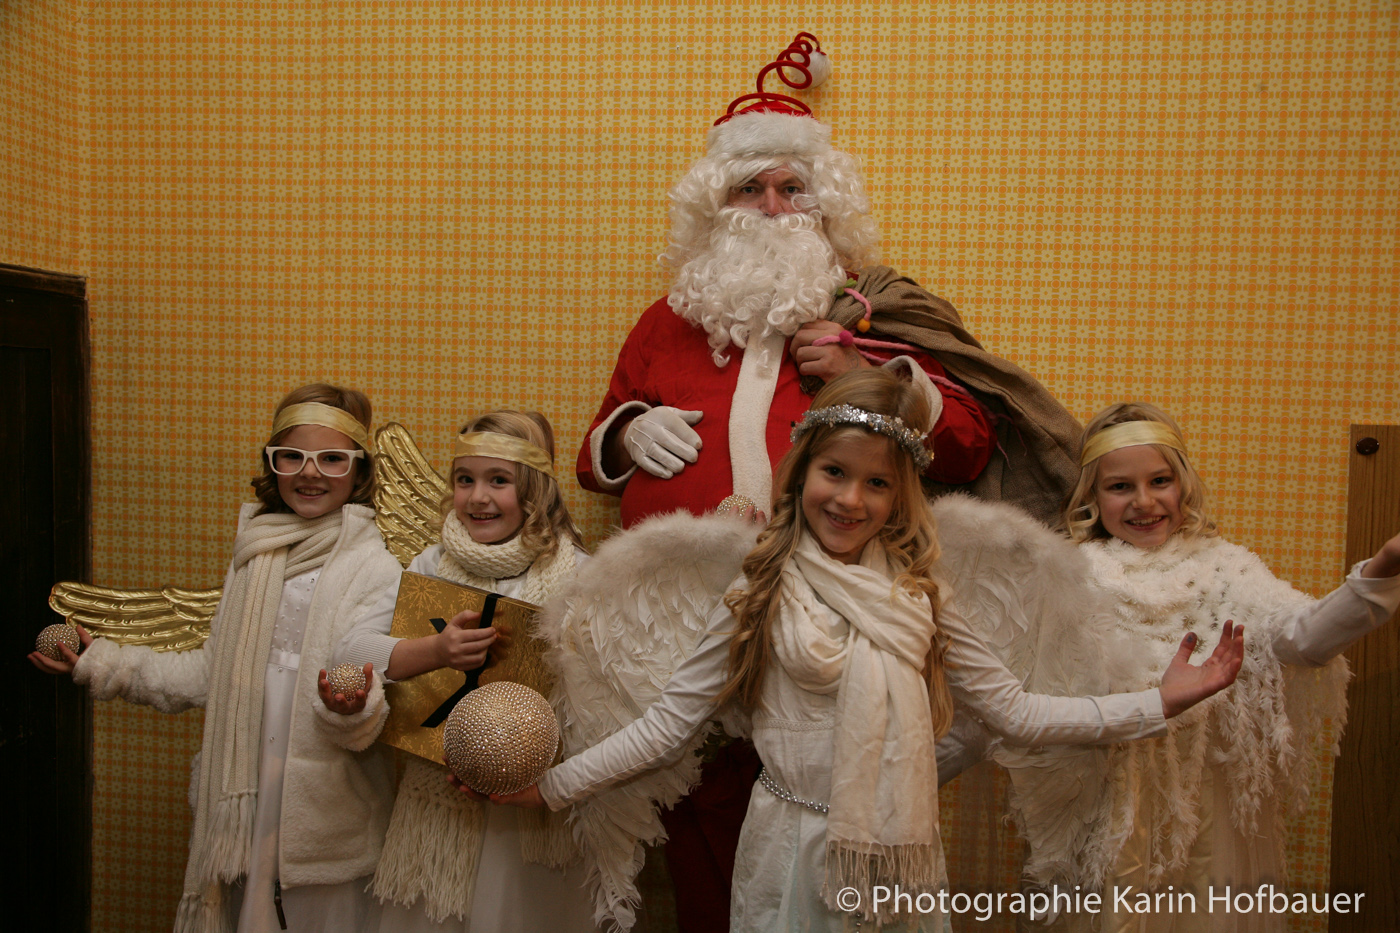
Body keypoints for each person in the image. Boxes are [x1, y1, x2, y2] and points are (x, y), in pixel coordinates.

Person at [576, 35, 1086, 926]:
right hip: (689, 623)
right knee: (699, 823)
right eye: (750, 188)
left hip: (829, 623)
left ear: (824, 205)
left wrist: (866, 371)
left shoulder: (869, 311)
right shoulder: (666, 322)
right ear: (715, 206)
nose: (773, 207)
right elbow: (590, 457)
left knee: (821, 820)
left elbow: (968, 443)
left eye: (793, 187)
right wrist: (626, 431)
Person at [492, 369, 1244, 932]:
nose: (851, 499)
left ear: (898, 495)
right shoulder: (759, 590)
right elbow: (665, 727)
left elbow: (1017, 711)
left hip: (896, 857)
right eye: (835, 472)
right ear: (802, 474)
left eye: (876, 482)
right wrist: (551, 788)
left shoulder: (922, 595)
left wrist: (1158, 701)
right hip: (788, 851)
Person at [29, 384, 403, 933]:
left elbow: (376, 692)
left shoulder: (375, 568)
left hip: (324, 802)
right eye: (291, 456)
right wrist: (101, 661)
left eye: (332, 459)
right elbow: (211, 672)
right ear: (272, 464)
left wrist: (352, 707)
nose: (310, 472)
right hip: (243, 791)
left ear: (359, 470)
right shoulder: (254, 555)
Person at [1039, 402, 1400, 932]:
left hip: (1208, 802)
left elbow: (1300, 638)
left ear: (1182, 484)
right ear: (1092, 497)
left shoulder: (1225, 570)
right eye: (1119, 487)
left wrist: (1380, 572)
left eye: (1159, 480)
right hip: (1108, 804)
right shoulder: (1071, 576)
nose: (1144, 501)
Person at [325, 410, 596, 933]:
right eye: (465, 479)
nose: (477, 497)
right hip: (439, 800)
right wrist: (436, 650)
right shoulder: (432, 566)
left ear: (535, 490)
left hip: (534, 810)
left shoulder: (580, 574)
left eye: (499, 481)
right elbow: (349, 654)